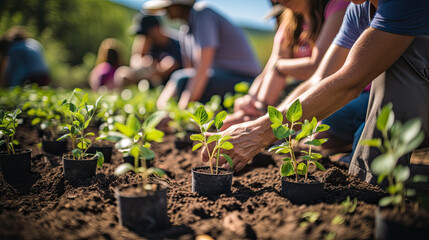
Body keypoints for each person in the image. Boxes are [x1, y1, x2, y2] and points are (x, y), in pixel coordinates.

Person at [202, 0, 429, 185]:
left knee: (392, 67)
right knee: (317, 129)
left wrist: (261, 133)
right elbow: (319, 79)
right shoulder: (357, 9)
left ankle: (374, 183)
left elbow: (351, 81)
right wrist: (263, 123)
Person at [224, 0, 349, 129]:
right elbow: (270, 66)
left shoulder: (336, 6)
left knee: (321, 133)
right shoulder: (289, 19)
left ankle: (264, 125)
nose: (276, 1)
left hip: (334, 87)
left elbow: (318, 67)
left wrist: (279, 67)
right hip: (303, 87)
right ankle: (257, 119)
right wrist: (251, 100)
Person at [143, 0, 262, 110]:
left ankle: (164, 112)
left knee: (181, 80)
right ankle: (161, 111)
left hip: (245, 81)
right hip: (220, 78)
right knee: (182, 80)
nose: (165, 12)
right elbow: (190, 70)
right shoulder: (185, 31)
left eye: (168, 7)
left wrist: (183, 109)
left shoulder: (202, 14)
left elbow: (201, 69)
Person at [113, 14, 182, 88]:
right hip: (147, 78)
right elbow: (135, 59)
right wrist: (143, 64)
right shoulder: (146, 41)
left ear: (157, 28)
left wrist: (157, 70)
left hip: (169, 83)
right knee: (122, 74)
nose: (145, 38)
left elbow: (172, 66)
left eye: (147, 34)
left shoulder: (178, 43)